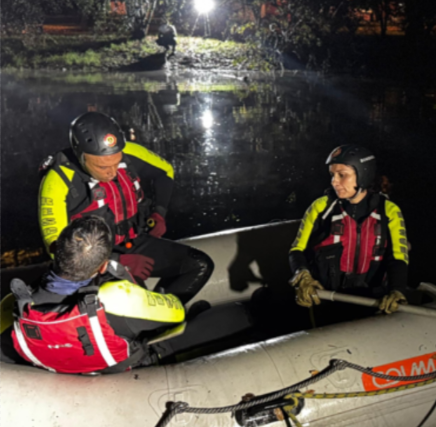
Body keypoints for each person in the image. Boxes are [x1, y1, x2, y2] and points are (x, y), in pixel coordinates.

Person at [7, 217, 253, 374]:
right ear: (103, 266)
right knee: (238, 313)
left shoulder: (17, 302)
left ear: (55, 250)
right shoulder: (115, 297)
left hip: (63, 368)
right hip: (125, 368)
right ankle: (254, 313)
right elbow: (175, 310)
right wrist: (123, 278)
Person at [38, 112, 212, 304]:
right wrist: (115, 263)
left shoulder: (129, 152)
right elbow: (58, 250)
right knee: (129, 299)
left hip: (135, 241)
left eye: (116, 162)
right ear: (81, 156)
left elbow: (165, 172)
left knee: (199, 265)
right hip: (93, 264)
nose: (112, 172)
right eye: (102, 167)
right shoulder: (57, 181)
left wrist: (159, 213)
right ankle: (148, 323)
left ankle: (162, 322)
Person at [289, 145, 412, 316]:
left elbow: (399, 256)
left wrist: (397, 290)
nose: (334, 182)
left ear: (363, 175)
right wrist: (303, 275)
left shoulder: (389, 211)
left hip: (374, 300)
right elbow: (297, 249)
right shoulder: (321, 207)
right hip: (326, 297)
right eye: (332, 175)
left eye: (342, 175)